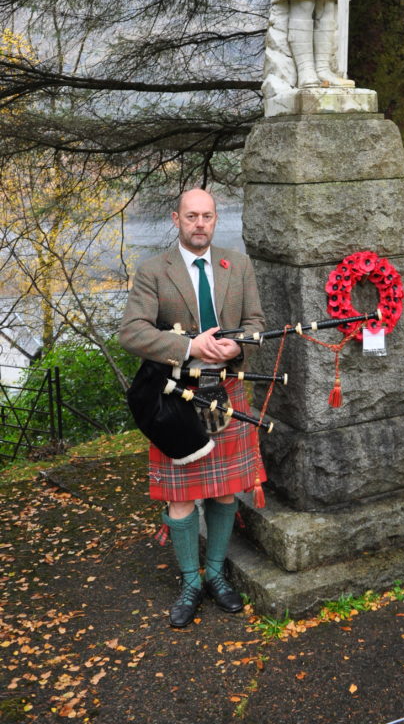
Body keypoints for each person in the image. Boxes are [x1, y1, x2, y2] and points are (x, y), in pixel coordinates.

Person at [119, 188, 266, 627]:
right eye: (191, 216)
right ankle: (190, 580)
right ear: (176, 219)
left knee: (224, 490)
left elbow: (256, 324)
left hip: (227, 387)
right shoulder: (153, 270)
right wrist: (188, 346)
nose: (199, 224)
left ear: (216, 220)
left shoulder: (236, 264)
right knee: (181, 497)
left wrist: (231, 347)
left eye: (207, 216)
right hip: (175, 396)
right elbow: (132, 333)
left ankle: (217, 574)